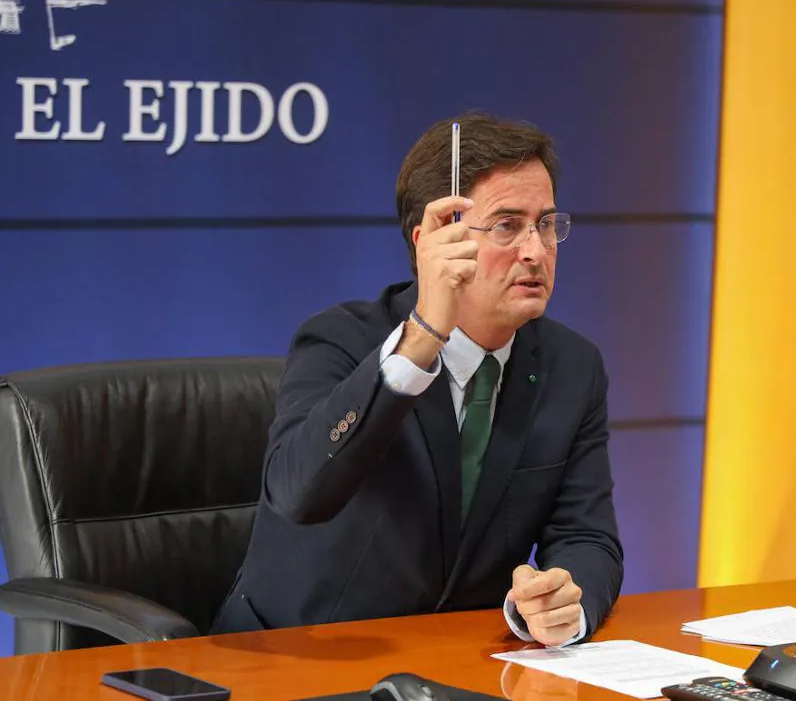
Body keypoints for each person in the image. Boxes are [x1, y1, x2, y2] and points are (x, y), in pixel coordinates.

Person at [211, 112, 624, 646]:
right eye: (506, 225)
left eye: (545, 223)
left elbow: (587, 536)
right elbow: (298, 495)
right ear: (432, 241)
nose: (536, 251)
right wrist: (423, 336)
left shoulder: (574, 366)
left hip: (458, 664)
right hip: (295, 658)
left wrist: (569, 604)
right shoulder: (340, 340)